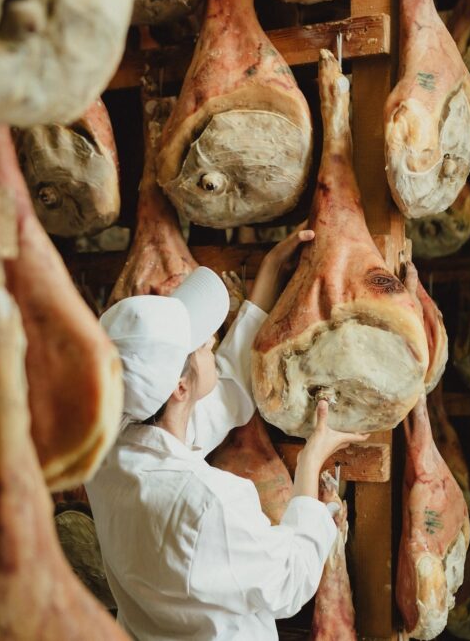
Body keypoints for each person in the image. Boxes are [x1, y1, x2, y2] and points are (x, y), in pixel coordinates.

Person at [86, 229, 369, 641]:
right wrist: (311, 462)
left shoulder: (110, 457)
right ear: (179, 388)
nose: (212, 343)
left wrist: (266, 279)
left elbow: (226, 393)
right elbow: (289, 583)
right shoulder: (207, 502)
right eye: (203, 344)